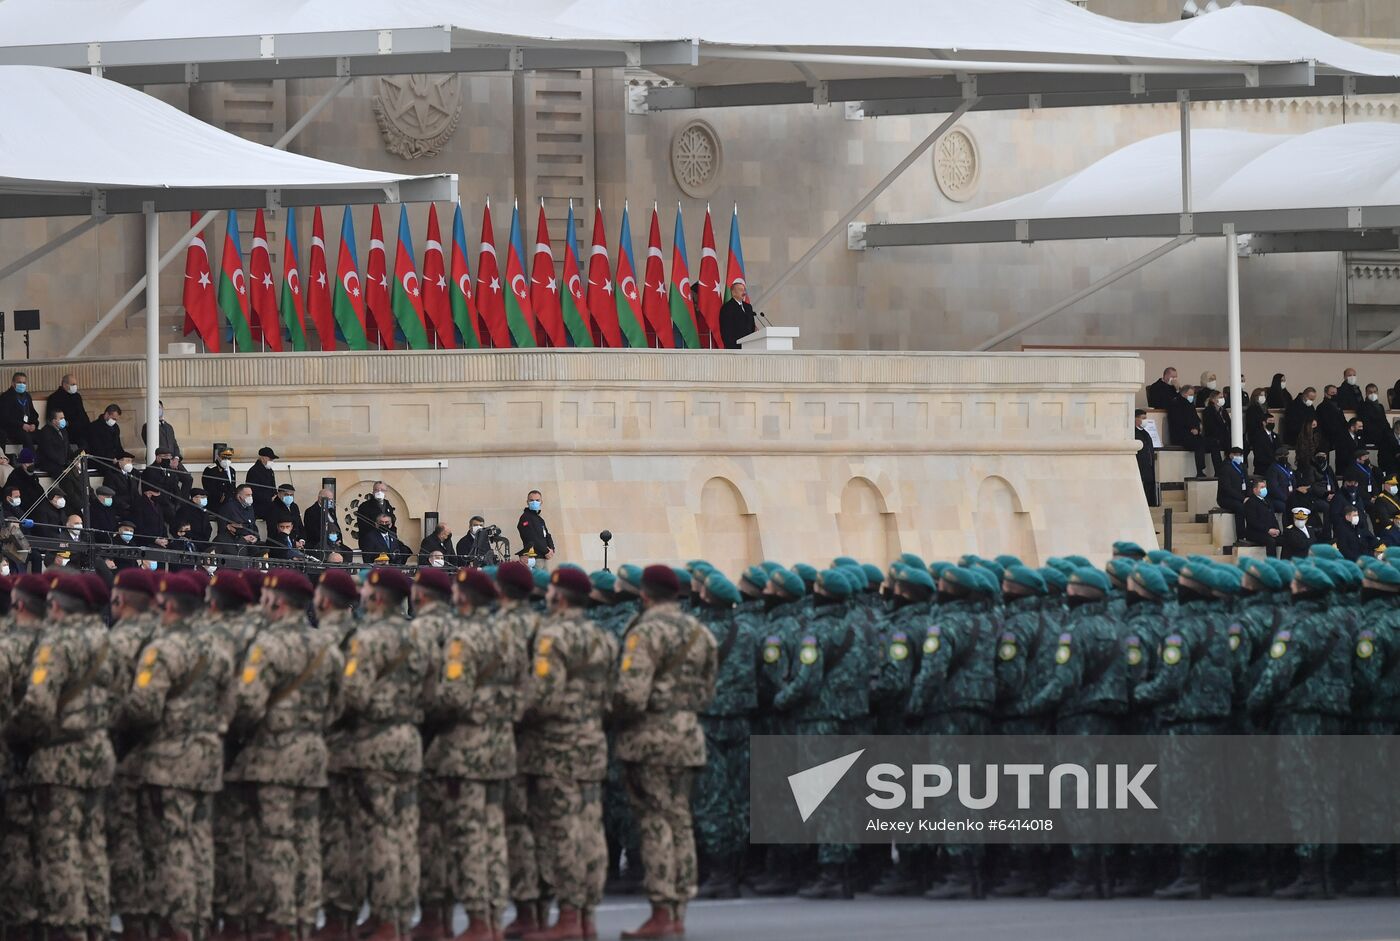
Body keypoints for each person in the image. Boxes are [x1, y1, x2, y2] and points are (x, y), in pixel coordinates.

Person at [122, 571, 236, 941]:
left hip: (168, 759)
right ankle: (200, 919)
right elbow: (232, 704)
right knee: (200, 841)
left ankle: (179, 925)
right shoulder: (218, 647)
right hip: (207, 756)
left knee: (173, 844)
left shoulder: (161, 649)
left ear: (168, 606)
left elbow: (143, 708)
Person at [230, 568, 342, 941]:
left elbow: (247, 704)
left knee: (276, 842)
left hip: (273, 755)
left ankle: (279, 922)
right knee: (307, 841)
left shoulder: (267, 645)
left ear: (276, 602)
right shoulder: (324, 644)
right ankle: (306, 919)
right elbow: (339, 703)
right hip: (312, 753)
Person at [9, 572, 115, 941]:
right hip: (98, 753)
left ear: (55, 606)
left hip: (58, 758)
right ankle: (95, 922)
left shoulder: (55, 645)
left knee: (61, 847)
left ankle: (67, 927)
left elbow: (37, 706)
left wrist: (14, 736)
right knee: (93, 845)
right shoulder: (107, 641)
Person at [517, 566, 618, 940]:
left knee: (561, 831)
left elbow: (542, 696)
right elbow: (613, 694)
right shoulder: (601, 637)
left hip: (556, 747)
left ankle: (569, 915)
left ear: (558, 596)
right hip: (591, 742)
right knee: (590, 830)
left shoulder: (552, 636)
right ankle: (586, 916)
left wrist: (513, 712)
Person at [341, 567, 430, 941]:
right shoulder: (420, 636)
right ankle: (400, 916)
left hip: (375, 746)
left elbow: (352, 695)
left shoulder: (367, 639)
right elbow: (434, 691)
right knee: (405, 836)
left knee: (379, 835)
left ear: (377, 597)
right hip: (408, 742)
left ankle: (385, 918)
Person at [35, 408, 84, 507]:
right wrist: (64, 463)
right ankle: (77, 504)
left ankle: (84, 501)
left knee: (79, 477)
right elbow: (49, 452)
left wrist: (73, 459)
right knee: (67, 480)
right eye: (61, 418)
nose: (63, 420)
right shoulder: (45, 432)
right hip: (51, 464)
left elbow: (67, 449)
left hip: (63, 463)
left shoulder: (64, 431)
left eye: (63, 418)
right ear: (53, 421)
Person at [1166, 385, 1217, 478]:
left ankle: (1218, 470)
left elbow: (1196, 419)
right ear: (1184, 394)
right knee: (1199, 444)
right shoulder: (1175, 404)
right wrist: (1191, 429)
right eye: (1191, 394)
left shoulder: (1190, 405)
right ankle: (1200, 471)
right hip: (1181, 435)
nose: (1192, 396)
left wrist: (1197, 428)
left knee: (1213, 442)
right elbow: (1178, 421)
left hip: (1194, 434)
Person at [44, 374, 90, 450]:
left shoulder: (77, 396)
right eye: (72, 384)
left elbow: (82, 413)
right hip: (67, 428)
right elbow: (51, 417)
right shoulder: (54, 398)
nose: (75, 386)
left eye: (75, 384)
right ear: (64, 384)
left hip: (80, 427)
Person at [1241, 477, 1280, 556]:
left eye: (1265, 487)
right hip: (1255, 533)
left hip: (1270, 531)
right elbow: (1253, 521)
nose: (1264, 489)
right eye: (1262, 487)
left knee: (1286, 540)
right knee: (1271, 541)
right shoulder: (1251, 502)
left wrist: (1277, 529)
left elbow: (1273, 517)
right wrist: (1268, 530)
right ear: (1255, 490)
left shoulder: (1268, 501)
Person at [0, 372, 40, 450]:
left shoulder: (27, 396)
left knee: (44, 435)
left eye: (24, 383)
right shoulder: (6, 397)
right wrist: (21, 425)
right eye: (19, 382)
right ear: (13, 383)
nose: (22, 385)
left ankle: (42, 460)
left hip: (28, 427)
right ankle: (29, 460)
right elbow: (4, 417)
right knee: (26, 437)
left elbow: (33, 413)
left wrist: (34, 424)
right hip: (13, 428)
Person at [516, 489, 555, 567]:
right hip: (534, 558)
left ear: (541, 502)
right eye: (531, 500)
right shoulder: (525, 517)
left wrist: (552, 549)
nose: (534, 502)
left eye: (537, 500)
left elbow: (547, 535)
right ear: (527, 502)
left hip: (543, 557)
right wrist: (546, 551)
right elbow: (531, 538)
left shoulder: (539, 518)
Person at [1216, 447, 1249, 535]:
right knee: (1240, 507)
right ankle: (1241, 536)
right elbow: (1227, 488)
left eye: (1240, 455)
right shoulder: (1225, 467)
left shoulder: (1242, 466)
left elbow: (1247, 482)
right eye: (1237, 455)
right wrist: (1242, 499)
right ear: (1231, 455)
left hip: (1241, 496)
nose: (1239, 457)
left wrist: (1248, 496)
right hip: (1226, 498)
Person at [718, 279, 758, 349]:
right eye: (741, 290)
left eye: (744, 290)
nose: (744, 292)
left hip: (750, 346)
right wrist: (731, 348)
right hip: (735, 347)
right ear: (733, 293)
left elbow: (752, 326)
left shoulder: (748, 307)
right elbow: (726, 331)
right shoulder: (727, 308)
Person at [1316, 385, 1350, 466]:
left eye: (1335, 393)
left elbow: (1343, 421)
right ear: (1326, 394)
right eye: (1332, 393)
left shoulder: (1338, 405)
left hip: (1339, 435)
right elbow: (1325, 424)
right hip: (1326, 436)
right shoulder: (1321, 407)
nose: (1334, 395)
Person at [302, 488, 342, 555]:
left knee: (348, 552)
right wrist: (330, 541)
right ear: (320, 498)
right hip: (319, 543)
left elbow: (336, 526)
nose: (331, 501)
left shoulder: (331, 511)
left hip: (335, 542)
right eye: (329, 499)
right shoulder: (311, 511)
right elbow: (313, 531)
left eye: (332, 499)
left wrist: (338, 540)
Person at [245, 447, 279, 521]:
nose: (272, 461)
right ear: (263, 458)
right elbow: (253, 491)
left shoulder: (270, 471)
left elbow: (273, 486)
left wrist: (276, 495)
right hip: (260, 506)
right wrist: (269, 498)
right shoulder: (254, 471)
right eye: (270, 459)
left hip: (270, 505)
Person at [1134, 409, 1156, 506]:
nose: (1145, 420)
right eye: (1143, 418)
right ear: (1136, 419)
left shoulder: (1146, 433)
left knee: (1148, 484)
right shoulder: (1134, 433)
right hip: (1140, 464)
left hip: (1148, 464)